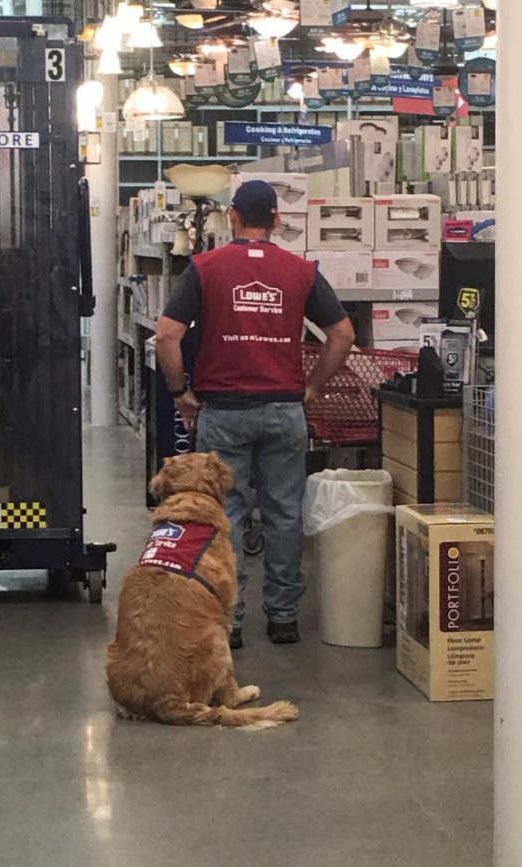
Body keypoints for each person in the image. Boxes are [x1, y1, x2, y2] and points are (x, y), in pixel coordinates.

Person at [156, 179, 354, 648]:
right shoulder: (302, 271)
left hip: (222, 412)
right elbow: (342, 335)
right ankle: (283, 617)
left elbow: (167, 336)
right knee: (284, 514)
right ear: (277, 221)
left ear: (233, 218)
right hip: (284, 410)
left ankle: (231, 618)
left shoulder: (205, 268)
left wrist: (180, 392)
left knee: (226, 514)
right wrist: (310, 387)